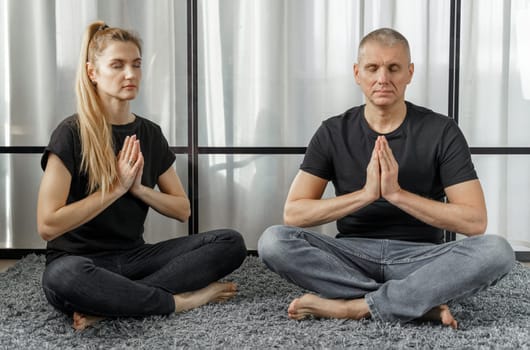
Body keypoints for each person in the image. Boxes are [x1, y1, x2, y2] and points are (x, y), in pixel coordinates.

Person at [257, 28, 515, 329]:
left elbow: (474, 222)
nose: (383, 78)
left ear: (410, 73)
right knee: (273, 241)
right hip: (351, 254)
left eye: (393, 68)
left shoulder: (441, 131)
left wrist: (397, 194)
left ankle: (354, 306)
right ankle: (414, 305)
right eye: (372, 68)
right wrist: (366, 194)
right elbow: (294, 214)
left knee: (498, 251)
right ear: (357, 73)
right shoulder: (333, 131)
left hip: (421, 259)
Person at [37, 21, 247, 331]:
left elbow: (181, 209)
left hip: (134, 258)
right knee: (62, 278)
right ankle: (181, 301)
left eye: (136, 65)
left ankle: (113, 304)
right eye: (117, 65)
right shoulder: (70, 133)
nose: (131, 74)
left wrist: (138, 189)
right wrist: (115, 188)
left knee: (231, 242)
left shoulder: (149, 133)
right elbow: (47, 225)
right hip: (80, 261)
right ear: (93, 72)